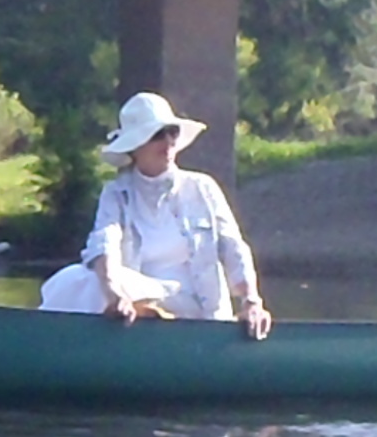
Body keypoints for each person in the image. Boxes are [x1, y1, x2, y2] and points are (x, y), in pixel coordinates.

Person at [38, 92, 273, 340]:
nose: (169, 141)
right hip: (139, 304)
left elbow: (233, 247)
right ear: (135, 147)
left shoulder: (202, 188)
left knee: (84, 281)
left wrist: (252, 303)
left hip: (198, 311)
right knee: (74, 278)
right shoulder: (117, 192)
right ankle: (56, 344)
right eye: (157, 135)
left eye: (172, 132)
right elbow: (104, 244)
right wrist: (114, 295)